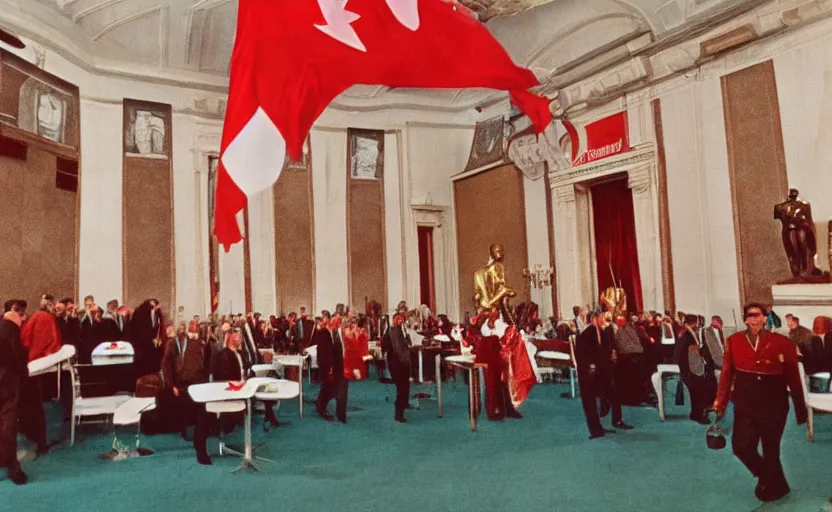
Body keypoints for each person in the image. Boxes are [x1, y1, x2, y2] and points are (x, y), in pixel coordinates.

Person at [713, 303, 807, 503]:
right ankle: (770, 478)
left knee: (771, 450)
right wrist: (719, 403)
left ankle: (776, 487)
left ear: (766, 318)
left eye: (757, 316)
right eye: (749, 316)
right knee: (741, 446)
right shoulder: (734, 341)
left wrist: (801, 409)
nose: (753, 319)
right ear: (745, 319)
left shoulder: (783, 343)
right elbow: (727, 375)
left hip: (774, 404)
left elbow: (793, 377)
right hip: (745, 402)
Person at [576, 310, 633, 439]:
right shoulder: (587, 334)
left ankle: (616, 420)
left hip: (601, 370)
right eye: (601, 317)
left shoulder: (601, 331)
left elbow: (604, 350)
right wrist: (593, 365)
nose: (603, 319)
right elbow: (585, 355)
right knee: (590, 401)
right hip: (589, 373)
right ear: (594, 319)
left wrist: (611, 355)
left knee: (614, 390)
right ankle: (596, 430)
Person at [0, 299, 29, 484]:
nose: (24, 318)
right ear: (13, 311)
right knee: (9, 423)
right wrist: (24, 377)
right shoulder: (11, 328)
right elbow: (18, 356)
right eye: (22, 314)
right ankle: (13, 467)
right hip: (8, 381)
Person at [675, 314, 716, 425]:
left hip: (690, 368)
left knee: (708, 383)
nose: (696, 326)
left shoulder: (688, 335)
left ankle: (701, 411)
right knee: (700, 388)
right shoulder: (688, 337)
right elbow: (692, 357)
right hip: (690, 370)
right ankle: (698, 414)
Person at [315, 312, 348, 423]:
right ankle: (321, 408)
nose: (338, 322)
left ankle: (321, 404)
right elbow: (324, 352)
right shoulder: (323, 332)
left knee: (335, 389)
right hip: (327, 365)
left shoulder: (341, 332)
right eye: (335, 320)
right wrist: (328, 366)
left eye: (339, 320)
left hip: (339, 365)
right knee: (328, 387)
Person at [382, 313, 411, 423]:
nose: (401, 321)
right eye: (399, 319)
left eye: (402, 319)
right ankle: (399, 414)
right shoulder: (394, 331)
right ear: (394, 320)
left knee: (404, 386)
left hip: (402, 362)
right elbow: (398, 349)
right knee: (402, 387)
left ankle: (403, 406)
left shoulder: (400, 330)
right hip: (399, 363)